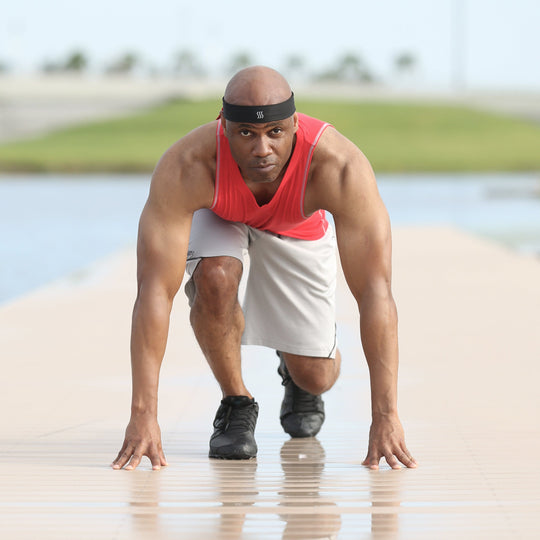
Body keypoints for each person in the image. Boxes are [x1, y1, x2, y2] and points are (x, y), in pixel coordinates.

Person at [112, 66, 416, 471]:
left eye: (275, 132)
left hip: (297, 224)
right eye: (245, 134)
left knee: (316, 375)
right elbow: (154, 291)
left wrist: (386, 416)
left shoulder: (339, 167)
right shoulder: (188, 165)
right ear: (223, 127)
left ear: (294, 124)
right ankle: (236, 402)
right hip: (220, 212)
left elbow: (376, 291)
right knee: (215, 277)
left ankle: (296, 369)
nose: (261, 149)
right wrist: (143, 414)